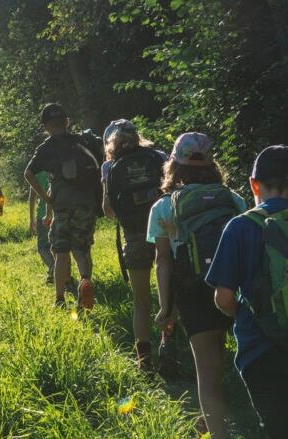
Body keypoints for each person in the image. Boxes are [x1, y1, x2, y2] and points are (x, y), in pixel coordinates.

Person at [206, 145, 288, 438]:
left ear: (254, 184)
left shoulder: (239, 227)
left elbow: (223, 299)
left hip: (260, 351)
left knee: (279, 426)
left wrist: (253, 313)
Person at [148, 132, 247, 439]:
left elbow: (163, 261)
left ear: (174, 165)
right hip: (232, 286)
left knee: (207, 369)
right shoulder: (233, 198)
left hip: (193, 289)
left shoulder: (164, 207)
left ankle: (218, 432)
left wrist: (166, 308)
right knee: (226, 356)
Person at [101, 119, 166, 370]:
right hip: (163, 234)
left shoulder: (110, 166)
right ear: (139, 136)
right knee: (166, 296)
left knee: (140, 300)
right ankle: (168, 346)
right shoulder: (158, 156)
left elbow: (108, 210)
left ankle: (144, 358)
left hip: (135, 236)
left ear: (111, 142)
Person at [24, 103, 103, 309]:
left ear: (45, 126)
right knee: (81, 249)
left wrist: (47, 201)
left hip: (62, 204)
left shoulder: (46, 147)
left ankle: (59, 299)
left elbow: (28, 174)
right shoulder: (82, 141)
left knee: (61, 252)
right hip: (87, 202)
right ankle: (85, 281)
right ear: (67, 122)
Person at [29, 169, 56, 284]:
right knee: (56, 246)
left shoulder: (37, 174)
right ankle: (58, 271)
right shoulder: (57, 170)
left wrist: (31, 219)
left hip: (43, 215)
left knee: (42, 247)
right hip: (58, 214)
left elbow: (32, 198)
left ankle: (53, 267)